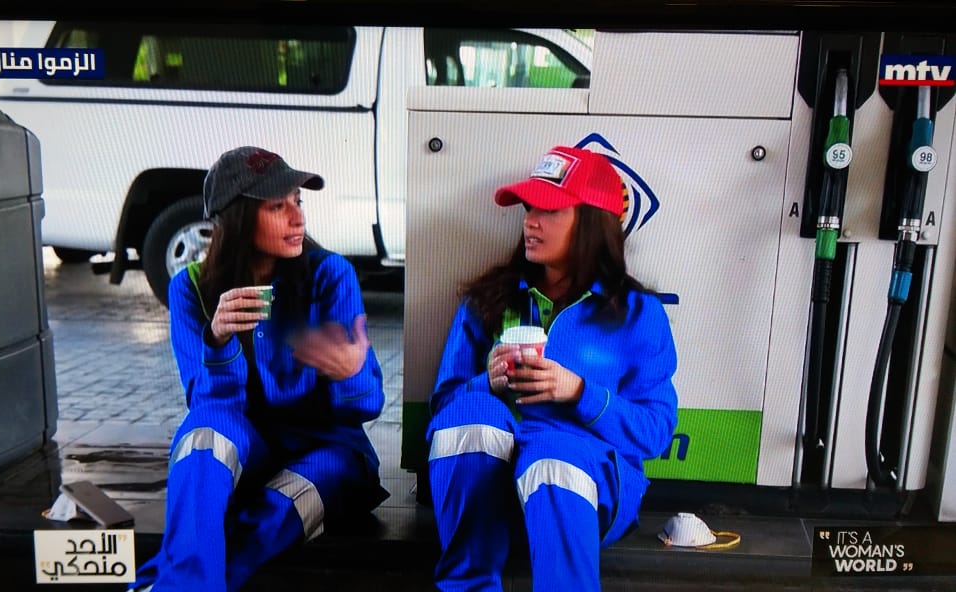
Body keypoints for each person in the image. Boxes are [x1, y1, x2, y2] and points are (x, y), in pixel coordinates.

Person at [131, 146, 389, 592]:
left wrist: (350, 375)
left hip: (328, 448)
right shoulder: (190, 288)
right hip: (246, 448)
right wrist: (219, 342)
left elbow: (365, 407)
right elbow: (209, 406)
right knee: (202, 436)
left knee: (287, 499)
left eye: (297, 202)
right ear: (237, 218)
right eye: (277, 207)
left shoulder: (330, 275)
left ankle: (170, 585)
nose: (298, 218)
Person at [425, 145, 679, 591]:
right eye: (529, 208)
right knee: (471, 413)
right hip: (491, 502)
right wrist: (487, 383)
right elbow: (443, 408)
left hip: (582, 494)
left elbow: (655, 432)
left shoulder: (639, 314)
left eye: (550, 210)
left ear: (592, 222)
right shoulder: (488, 299)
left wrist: (580, 392)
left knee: (553, 454)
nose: (530, 221)